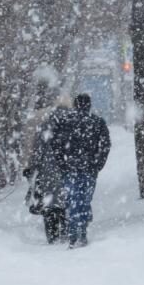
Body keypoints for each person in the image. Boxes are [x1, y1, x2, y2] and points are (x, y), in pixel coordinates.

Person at [50, 92, 111, 248]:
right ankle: (82, 232)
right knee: (84, 199)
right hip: (89, 169)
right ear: (89, 105)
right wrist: (98, 164)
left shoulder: (63, 121)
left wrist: (61, 163)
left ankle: (72, 235)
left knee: (72, 200)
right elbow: (104, 146)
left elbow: (55, 145)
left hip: (69, 168)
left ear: (75, 105)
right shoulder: (97, 122)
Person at [22, 94, 69, 244]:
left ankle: (52, 234)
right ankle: (65, 231)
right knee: (65, 201)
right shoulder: (73, 124)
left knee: (49, 202)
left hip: (47, 170)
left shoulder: (45, 125)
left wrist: (33, 166)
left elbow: (37, 150)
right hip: (66, 169)